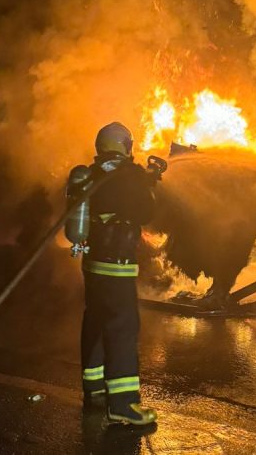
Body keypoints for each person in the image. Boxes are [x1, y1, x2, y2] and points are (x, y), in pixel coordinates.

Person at [77, 122, 158, 426]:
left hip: (93, 264)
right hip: (118, 266)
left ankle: (94, 390)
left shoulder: (90, 174)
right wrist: (150, 184)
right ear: (125, 145)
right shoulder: (130, 175)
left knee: (95, 320)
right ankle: (124, 406)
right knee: (122, 329)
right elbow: (147, 213)